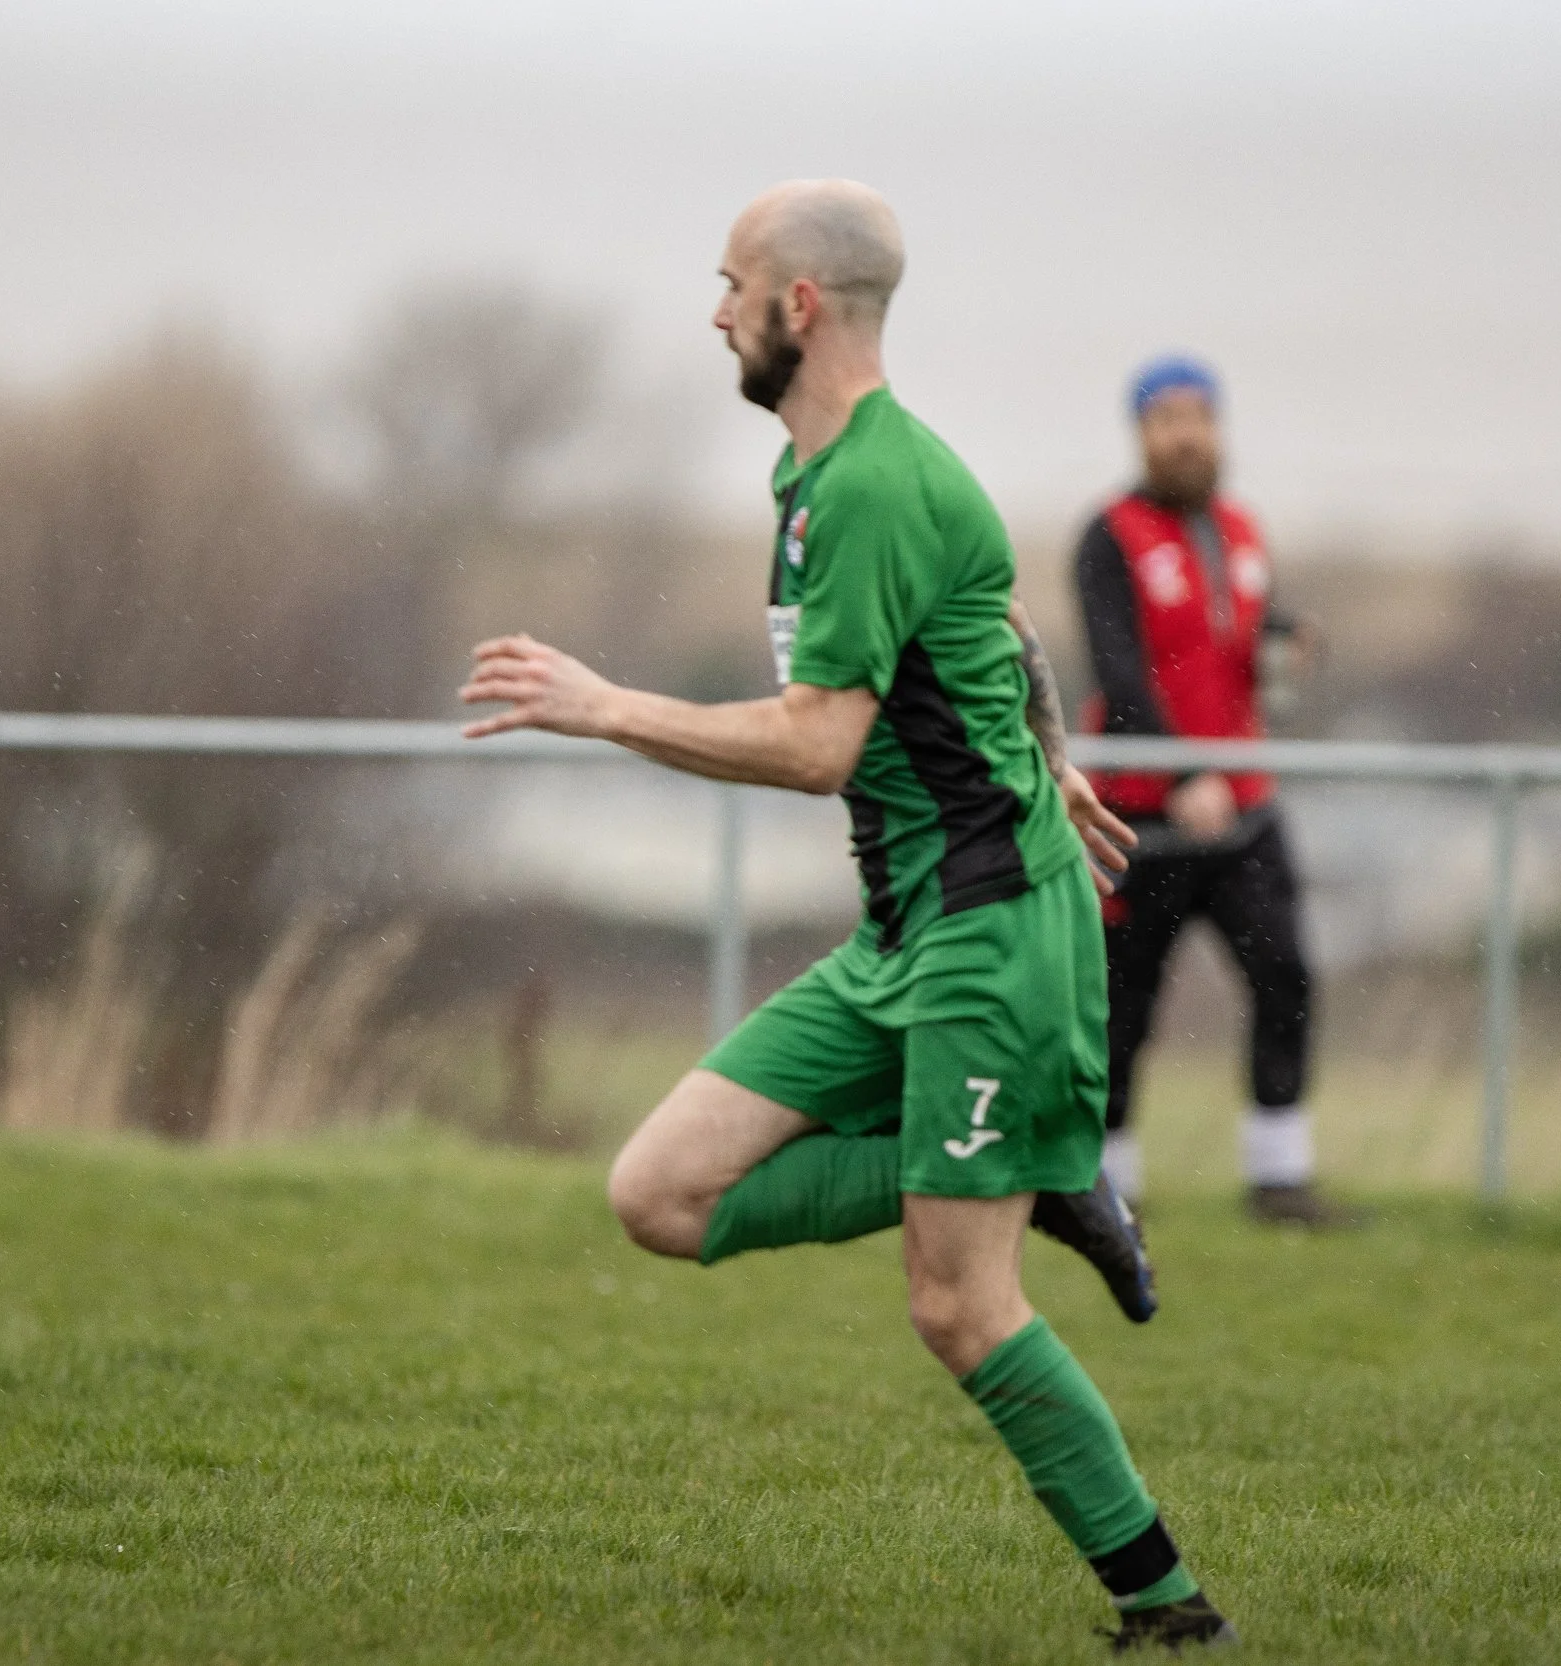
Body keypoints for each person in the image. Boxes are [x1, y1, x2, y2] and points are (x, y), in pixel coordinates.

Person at [462, 181, 1236, 1652]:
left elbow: (820, 743)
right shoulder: (819, 476)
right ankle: (1040, 1166)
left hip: (993, 937)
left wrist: (606, 705)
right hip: (905, 930)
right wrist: (1052, 754)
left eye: (729, 284)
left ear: (797, 306)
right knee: (659, 1194)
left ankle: (1168, 1607)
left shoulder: (881, 481)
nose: (714, 311)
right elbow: (997, 635)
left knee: (956, 1305)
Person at [1073, 356, 1354, 1227]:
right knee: (1124, 1003)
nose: (1186, 434)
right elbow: (1119, 671)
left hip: (1242, 809)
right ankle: (1110, 1185)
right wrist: (1181, 770)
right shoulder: (1108, 537)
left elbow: (1231, 641)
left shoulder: (1240, 528)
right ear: (1141, 433)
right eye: (1167, 418)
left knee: (1286, 974)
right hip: (1143, 815)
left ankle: (1280, 1177)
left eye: (1200, 415)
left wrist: (1286, 639)